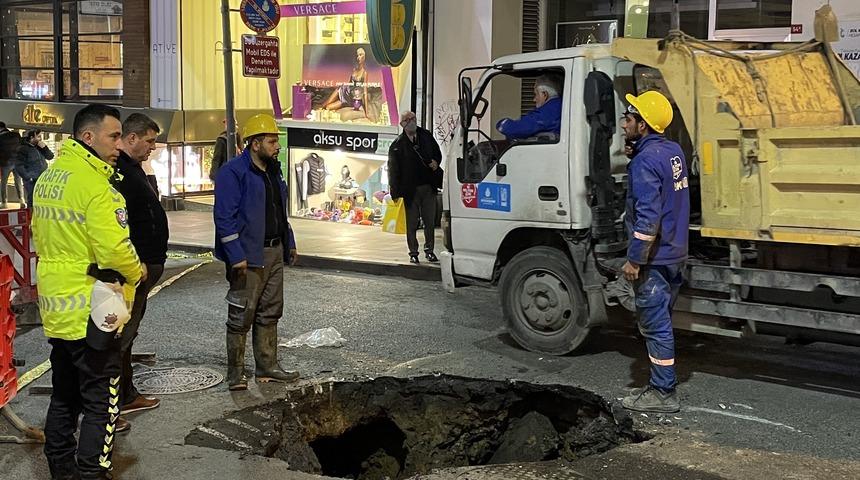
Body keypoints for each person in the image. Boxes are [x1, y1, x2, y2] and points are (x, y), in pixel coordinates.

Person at [32, 104, 145, 479]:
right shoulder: (96, 185)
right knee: (103, 401)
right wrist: (137, 270)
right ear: (88, 137)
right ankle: (92, 472)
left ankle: (60, 469)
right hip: (91, 310)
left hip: (57, 306)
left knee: (64, 394)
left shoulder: (49, 178)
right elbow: (114, 248)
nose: (119, 144)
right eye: (113, 136)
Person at [214, 113, 300, 391]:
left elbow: (278, 210)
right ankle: (235, 374)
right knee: (241, 314)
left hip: (273, 250)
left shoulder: (273, 170)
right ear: (255, 143)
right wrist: (235, 254)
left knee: (270, 311)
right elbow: (224, 216)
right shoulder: (233, 172)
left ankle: (267, 366)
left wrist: (290, 242)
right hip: (248, 255)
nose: (277, 146)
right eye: (272, 141)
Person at [619, 91, 690, 414]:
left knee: (655, 324)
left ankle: (663, 392)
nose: (624, 124)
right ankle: (662, 385)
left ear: (643, 125)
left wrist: (635, 259)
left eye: (629, 119)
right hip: (676, 252)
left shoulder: (646, 161)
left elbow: (648, 215)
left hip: (655, 258)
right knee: (663, 319)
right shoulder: (672, 150)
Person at [115, 113, 169, 421]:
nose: (153, 147)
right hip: (134, 269)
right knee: (121, 337)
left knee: (127, 336)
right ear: (131, 138)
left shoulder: (133, 168)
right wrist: (136, 266)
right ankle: (116, 402)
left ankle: (126, 395)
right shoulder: (118, 171)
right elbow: (119, 227)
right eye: (149, 141)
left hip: (144, 265)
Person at [388, 111, 443, 264]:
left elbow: (437, 153)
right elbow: (393, 170)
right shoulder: (397, 145)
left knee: (429, 221)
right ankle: (413, 252)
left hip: (428, 186)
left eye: (413, 118)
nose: (412, 122)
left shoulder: (425, 135)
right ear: (402, 124)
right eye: (408, 120)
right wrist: (395, 192)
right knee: (412, 223)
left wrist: (435, 162)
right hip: (410, 190)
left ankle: (429, 251)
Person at [495, 74, 563, 140]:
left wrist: (502, 123)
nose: (534, 99)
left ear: (544, 94)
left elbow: (514, 129)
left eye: (536, 94)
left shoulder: (548, 112)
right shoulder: (561, 105)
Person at [321, 47, 377, 122]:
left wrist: (366, 112)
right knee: (326, 105)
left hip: (350, 98)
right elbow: (349, 83)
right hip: (345, 91)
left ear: (364, 57)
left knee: (328, 107)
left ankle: (323, 110)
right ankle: (319, 109)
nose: (358, 58)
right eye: (357, 55)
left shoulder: (365, 73)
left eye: (360, 55)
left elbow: (365, 92)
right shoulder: (354, 70)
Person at [16, 129, 54, 208]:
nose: (40, 139)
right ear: (32, 137)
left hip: (43, 178)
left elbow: (50, 156)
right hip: (32, 180)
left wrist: (45, 148)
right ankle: (31, 218)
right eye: (39, 136)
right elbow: (19, 165)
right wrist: (27, 177)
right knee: (32, 200)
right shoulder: (23, 148)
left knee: (44, 200)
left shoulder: (40, 147)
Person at [209, 119, 241, 184]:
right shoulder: (222, 140)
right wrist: (214, 176)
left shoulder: (238, 138)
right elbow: (217, 159)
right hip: (227, 174)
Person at [0, 121, 23, 208]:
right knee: (18, 181)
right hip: (17, 161)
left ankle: (4, 202)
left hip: (5, 163)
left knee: (4, 182)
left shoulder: (1, 137)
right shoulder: (16, 135)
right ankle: (22, 200)